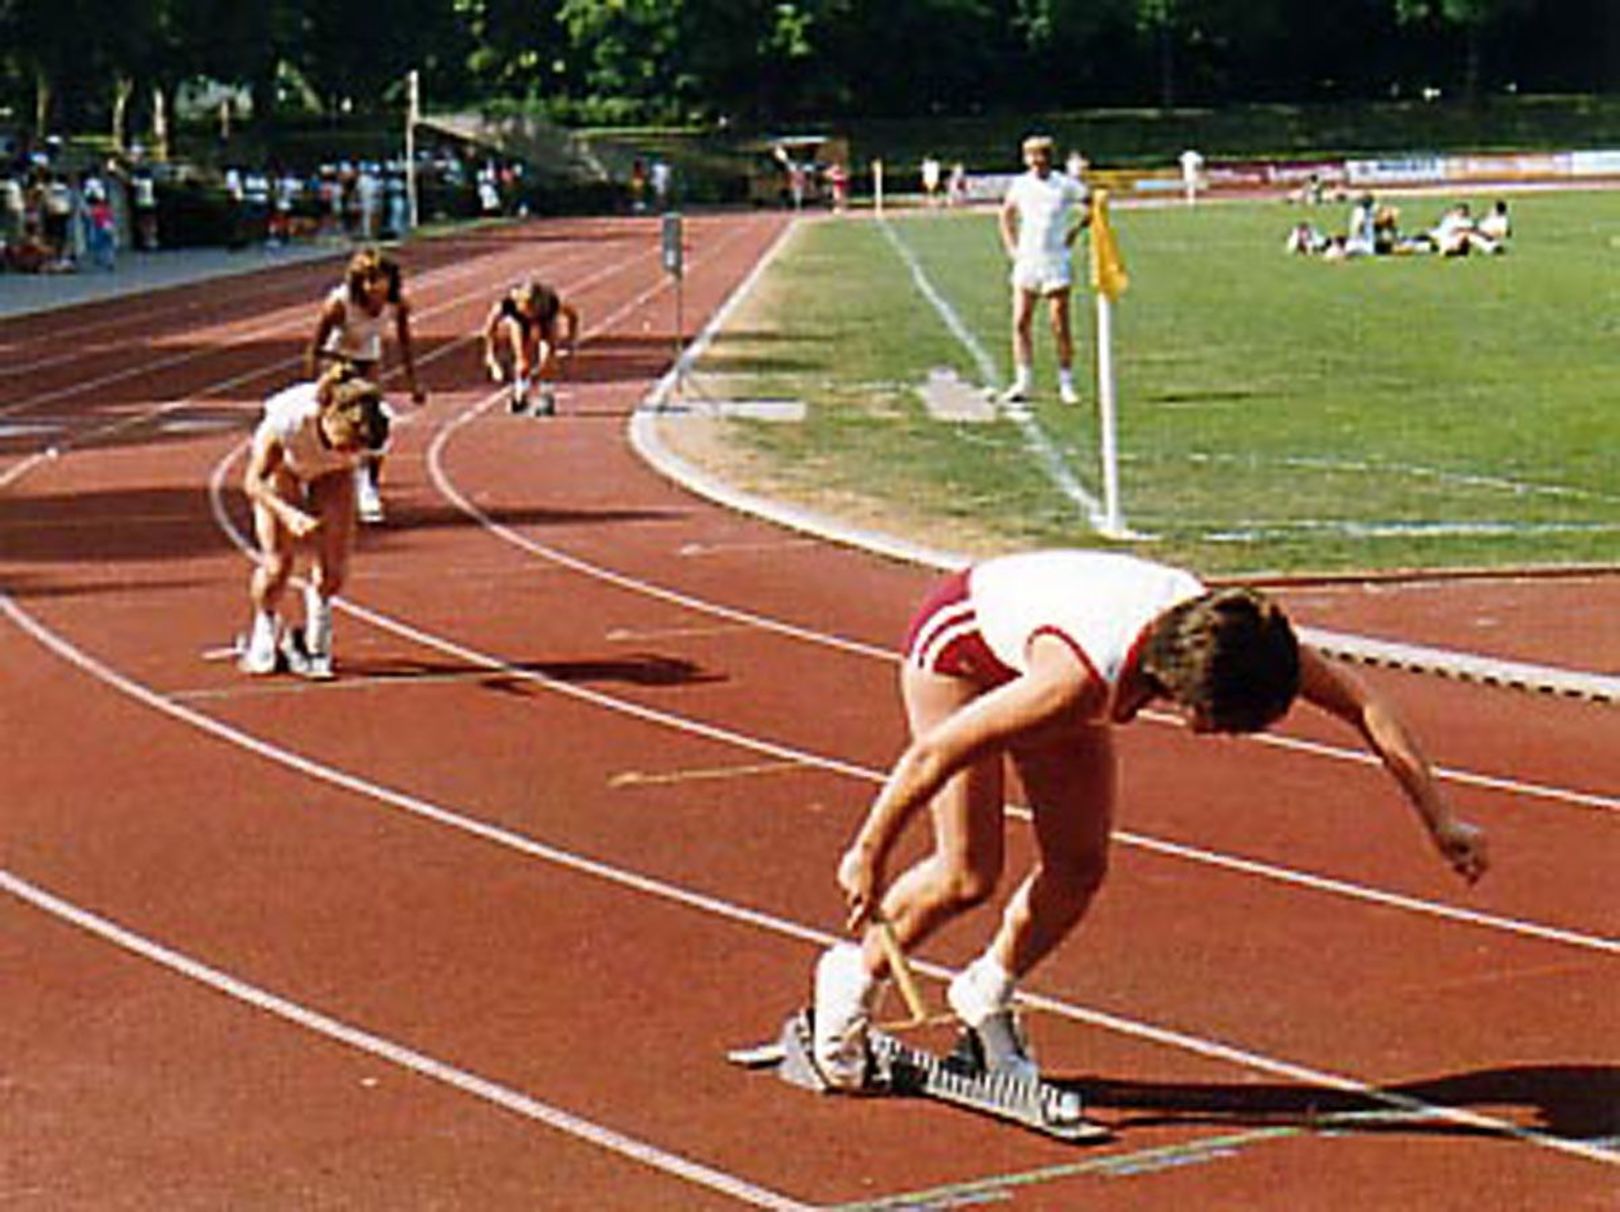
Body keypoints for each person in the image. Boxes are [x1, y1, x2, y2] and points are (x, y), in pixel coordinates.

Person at [809, 549, 1489, 1091]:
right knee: (967, 872)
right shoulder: (1076, 683)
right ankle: (849, 981)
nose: (1221, 737)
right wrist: (869, 852)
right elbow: (934, 754)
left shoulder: (1243, 638)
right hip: (960, 652)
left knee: (1079, 867)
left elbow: (1363, 704)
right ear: (1187, 695)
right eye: (1221, 725)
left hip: (1064, 647)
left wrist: (1442, 821)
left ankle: (985, 993)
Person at [239, 364, 390, 680]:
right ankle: (265, 624)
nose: (351, 451)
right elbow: (253, 482)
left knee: (334, 568)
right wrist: (288, 513)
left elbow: (365, 460)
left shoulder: (375, 423)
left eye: (356, 448)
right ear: (328, 419)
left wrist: (364, 488)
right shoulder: (289, 420)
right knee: (278, 564)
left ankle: (314, 634)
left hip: (332, 474)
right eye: (345, 444)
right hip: (284, 468)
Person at [307, 248, 426, 523]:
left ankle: (368, 486)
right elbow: (315, 347)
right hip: (335, 358)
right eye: (367, 280)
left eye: (379, 279)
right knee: (332, 422)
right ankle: (316, 481)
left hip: (368, 360)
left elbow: (405, 343)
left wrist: (413, 383)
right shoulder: (339, 304)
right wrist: (316, 385)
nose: (374, 287)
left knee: (376, 420)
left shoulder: (397, 305)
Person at [999, 135, 1089, 406]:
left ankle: (1066, 382)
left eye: (1041, 155)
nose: (1036, 161)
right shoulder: (1020, 184)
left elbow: (1093, 204)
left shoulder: (1064, 184)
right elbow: (1006, 213)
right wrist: (1011, 247)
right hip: (1028, 260)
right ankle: (1023, 381)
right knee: (1020, 322)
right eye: (1031, 156)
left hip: (1055, 260)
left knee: (1059, 323)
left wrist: (1074, 231)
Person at [481, 279, 581, 416]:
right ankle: (519, 396)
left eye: (532, 310)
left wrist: (571, 341)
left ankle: (547, 396)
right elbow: (490, 330)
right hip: (519, 323)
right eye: (526, 310)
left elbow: (572, 316)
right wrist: (492, 359)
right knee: (523, 362)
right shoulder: (508, 305)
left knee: (547, 361)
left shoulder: (550, 303)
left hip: (546, 320)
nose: (530, 314)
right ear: (519, 304)